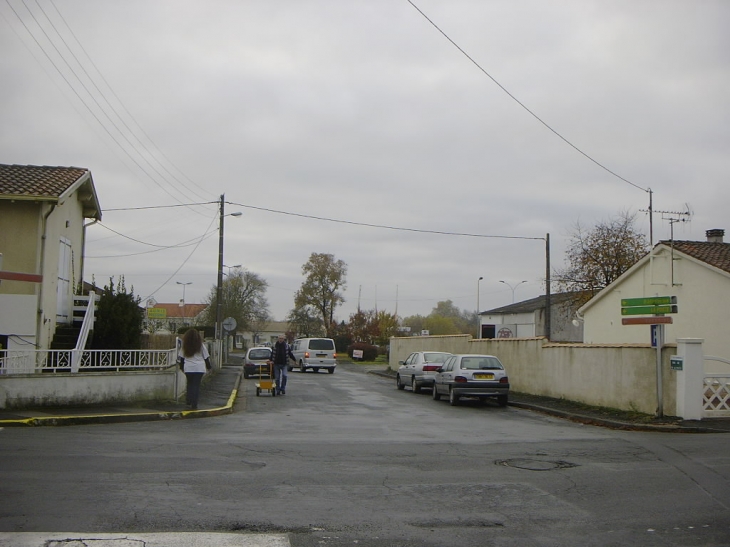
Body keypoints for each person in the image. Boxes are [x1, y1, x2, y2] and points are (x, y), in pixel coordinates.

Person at [179, 328, 211, 409]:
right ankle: (194, 404)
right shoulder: (201, 345)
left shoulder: (185, 346)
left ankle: (188, 400)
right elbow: (206, 357)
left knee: (189, 384)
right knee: (196, 385)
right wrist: (209, 367)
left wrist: (181, 367)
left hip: (188, 368)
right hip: (199, 368)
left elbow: (182, 358)